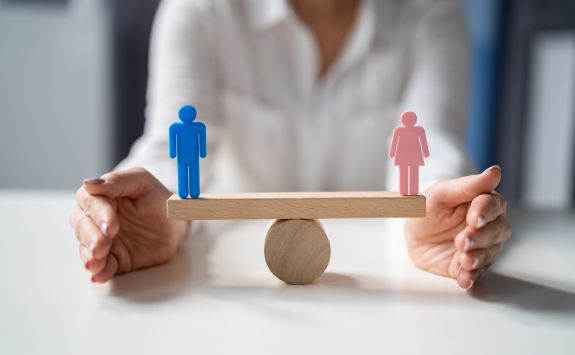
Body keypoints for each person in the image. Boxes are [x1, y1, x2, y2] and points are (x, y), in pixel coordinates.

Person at [69, 0, 511, 289]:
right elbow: (166, 148)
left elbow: (435, 145)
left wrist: (443, 210)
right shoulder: (198, 9)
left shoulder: (433, 12)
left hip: (383, 267)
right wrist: (156, 211)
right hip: (227, 259)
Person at [169, 104, 207, 199]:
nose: (187, 115)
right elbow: (172, 139)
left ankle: (194, 192)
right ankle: (183, 192)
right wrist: (173, 152)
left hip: (193, 157)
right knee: (182, 174)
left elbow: (202, 139)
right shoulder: (175, 127)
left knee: (194, 174)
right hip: (182, 157)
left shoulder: (199, 127)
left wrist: (202, 151)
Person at [389, 111, 430, 196]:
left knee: (413, 172)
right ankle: (405, 190)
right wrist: (392, 153)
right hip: (405, 155)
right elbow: (394, 142)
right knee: (405, 172)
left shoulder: (419, 130)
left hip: (412, 155)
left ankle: (412, 190)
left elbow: (423, 141)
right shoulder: (399, 130)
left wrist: (426, 152)